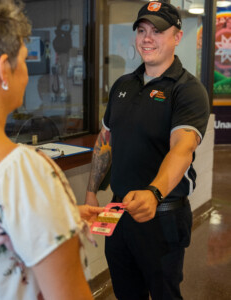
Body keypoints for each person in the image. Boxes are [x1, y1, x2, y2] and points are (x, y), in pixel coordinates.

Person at [0, 1, 104, 299]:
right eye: (24, 59)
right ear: (3, 70)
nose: (26, 70)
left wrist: (60, 215)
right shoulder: (25, 172)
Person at [85, 1, 210, 299]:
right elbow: (106, 140)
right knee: (126, 294)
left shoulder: (187, 90)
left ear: (177, 37)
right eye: (142, 30)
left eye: (157, 31)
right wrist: (91, 193)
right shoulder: (123, 86)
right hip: (119, 213)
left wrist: (154, 193)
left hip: (163, 217)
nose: (147, 38)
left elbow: (182, 148)